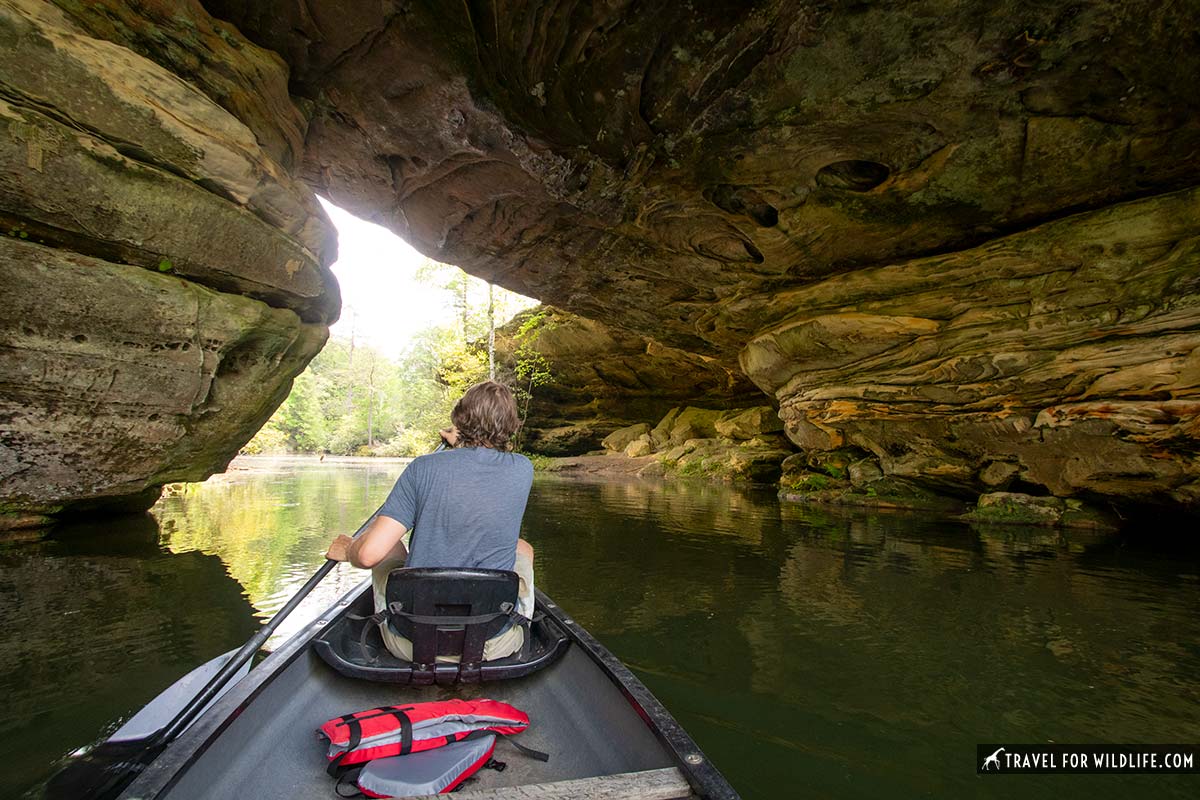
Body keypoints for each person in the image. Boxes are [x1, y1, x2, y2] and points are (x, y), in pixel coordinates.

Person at [324, 380, 535, 661]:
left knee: (390, 547)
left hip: (413, 644)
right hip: (493, 643)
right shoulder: (523, 469)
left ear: (459, 419)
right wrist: (462, 442)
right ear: (511, 425)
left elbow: (368, 555)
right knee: (523, 549)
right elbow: (480, 463)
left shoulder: (422, 468)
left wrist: (349, 549)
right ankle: (522, 622)